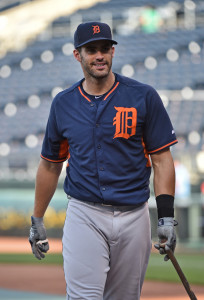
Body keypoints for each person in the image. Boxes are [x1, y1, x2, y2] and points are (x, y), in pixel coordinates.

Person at [29, 21, 178, 300]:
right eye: (91, 50)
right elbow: (50, 164)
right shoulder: (64, 103)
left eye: (105, 48)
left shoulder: (142, 96)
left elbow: (161, 159)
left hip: (134, 214)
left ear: (113, 52)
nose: (100, 55)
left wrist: (167, 217)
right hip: (85, 212)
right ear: (78, 55)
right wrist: (37, 218)